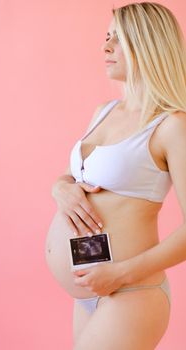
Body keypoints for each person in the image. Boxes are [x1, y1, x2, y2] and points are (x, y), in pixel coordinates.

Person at [45, 2, 186, 349]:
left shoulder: (172, 126)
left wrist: (120, 273)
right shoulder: (104, 112)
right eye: (106, 37)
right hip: (91, 291)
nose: (105, 47)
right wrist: (60, 189)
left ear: (148, 43)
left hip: (130, 291)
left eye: (118, 39)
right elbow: (70, 176)